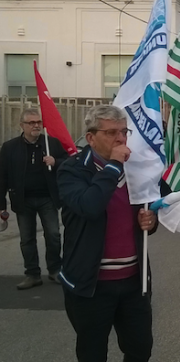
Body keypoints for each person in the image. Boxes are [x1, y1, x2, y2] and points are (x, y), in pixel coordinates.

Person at [57, 105, 157, 362]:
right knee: (92, 352)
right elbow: (89, 206)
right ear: (90, 138)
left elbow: (151, 204)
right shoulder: (72, 169)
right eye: (112, 132)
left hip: (133, 282)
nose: (121, 138)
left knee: (140, 348)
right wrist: (113, 165)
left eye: (124, 131)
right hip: (91, 284)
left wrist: (150, 220)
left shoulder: (134, 169)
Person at [0, 108, 67, 290]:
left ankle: (55, 269)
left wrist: (56, 161)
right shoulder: (9, 147)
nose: (36, 126)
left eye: (38, 122)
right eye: (31, 123)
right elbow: (2, 176)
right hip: (22, 200)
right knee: (27, 239)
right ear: (22, 125)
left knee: (53, 234)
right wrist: (1, 205)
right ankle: (32, 274)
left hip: (47, 198)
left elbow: (69, 161)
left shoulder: (51, 143)